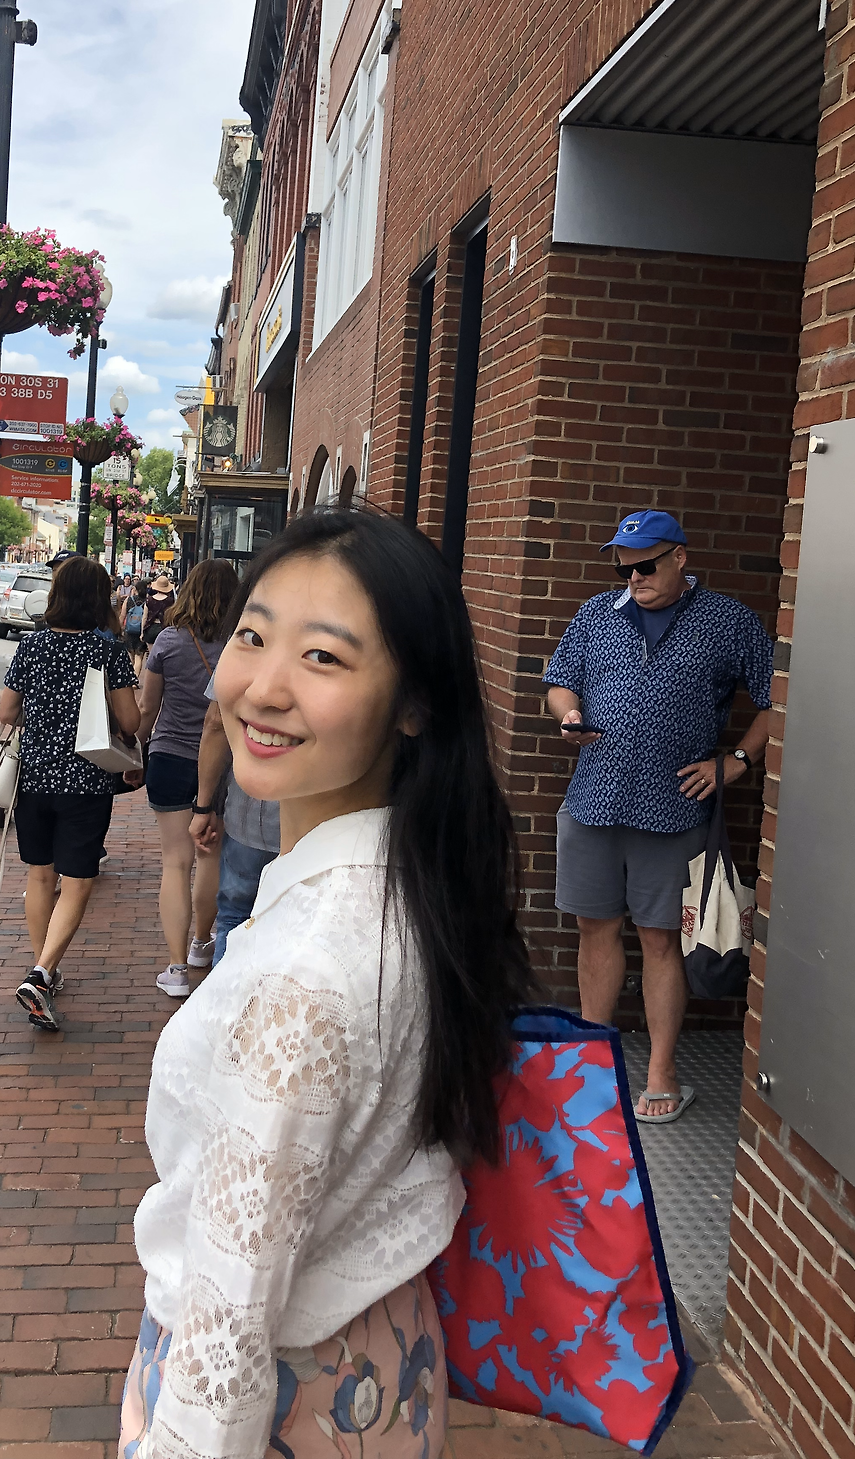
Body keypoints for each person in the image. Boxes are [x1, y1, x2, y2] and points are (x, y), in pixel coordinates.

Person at [122, 507, 531, 1458]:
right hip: (387, 1362)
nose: (264, 688)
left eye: (323, 658)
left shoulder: (302, 974)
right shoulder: (414, 886)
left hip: (283, 1404)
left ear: (413, 703)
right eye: (253, 637)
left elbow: (228, 1327)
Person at [543, 508, 773, 1124]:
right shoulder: (598, 614)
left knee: (660, 938)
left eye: (645, 565)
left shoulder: (727, 621)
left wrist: (737, 762)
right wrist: (568, 714)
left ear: (680, 557)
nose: (634, 577)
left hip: (673, 808)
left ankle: (661, 1073)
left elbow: (777, 697)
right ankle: (593, 1065)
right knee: (595, 931)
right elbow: (559, 682)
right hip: (594, 800)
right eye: (624, 566)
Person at [0, 556, 139, 1032]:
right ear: (99, 600)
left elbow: (7, 712)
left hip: (34, 778)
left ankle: (45, 970)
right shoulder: (107, 651)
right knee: (77, 881)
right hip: (86, 781)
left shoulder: (32, 644)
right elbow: (131, 721)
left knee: (41, 875)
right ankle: (41, 974)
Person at [135, 559, 238, 997]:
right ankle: (201, 943)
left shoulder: (167, 641)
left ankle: (176, 969)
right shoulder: (239, 646)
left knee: (175, 863)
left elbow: (147, 708)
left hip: (170, 758)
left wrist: (135, 749)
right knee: (211, 856)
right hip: (222, 766)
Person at [190, 697, 280, 962]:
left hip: (250, 815)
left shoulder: (239, 668)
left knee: (234, 916)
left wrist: (203, 807)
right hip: (316, 821)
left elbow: (215, 722)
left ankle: (223, 986)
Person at [141, 572, 175, 646]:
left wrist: (142, 632)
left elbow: (144, 617)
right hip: (164, 629)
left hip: (150, 628)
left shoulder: (149, 600)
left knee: (151, 652)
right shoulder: (170, 601)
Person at [122, 578, 148, 670]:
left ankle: (130, 676)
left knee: (130, 656)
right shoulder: (147, 601)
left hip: (129, 631)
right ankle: (136, 676)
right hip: (141, 631)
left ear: (135, 589)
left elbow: (122, 615)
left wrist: (120, 628)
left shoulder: (129, 600)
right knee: (139, 657)